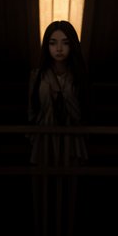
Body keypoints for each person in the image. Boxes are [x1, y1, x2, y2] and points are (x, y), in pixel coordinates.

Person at [28, 19, 89, 168]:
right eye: (53, 43)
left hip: (72, 134)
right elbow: (32, 108)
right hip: (44, 133)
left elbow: (84, 109)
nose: (59, 48)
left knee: (71, 177)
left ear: (72, 44)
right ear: (47, 45)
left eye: (65, 43)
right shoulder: (38, 75)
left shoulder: (79, 75)